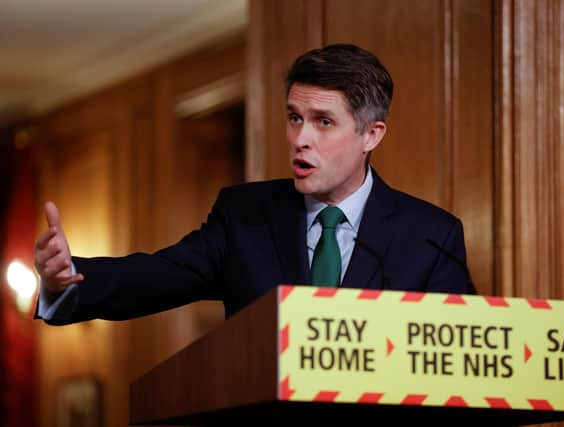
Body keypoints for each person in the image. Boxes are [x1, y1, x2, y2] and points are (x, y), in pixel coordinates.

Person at [34, 44, 474, 325]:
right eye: (294, 118)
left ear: (371, 134)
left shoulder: (431, 237)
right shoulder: (245, 216)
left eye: (323, 122)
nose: (301, 138)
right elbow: (156, 275)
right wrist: (67, 279)